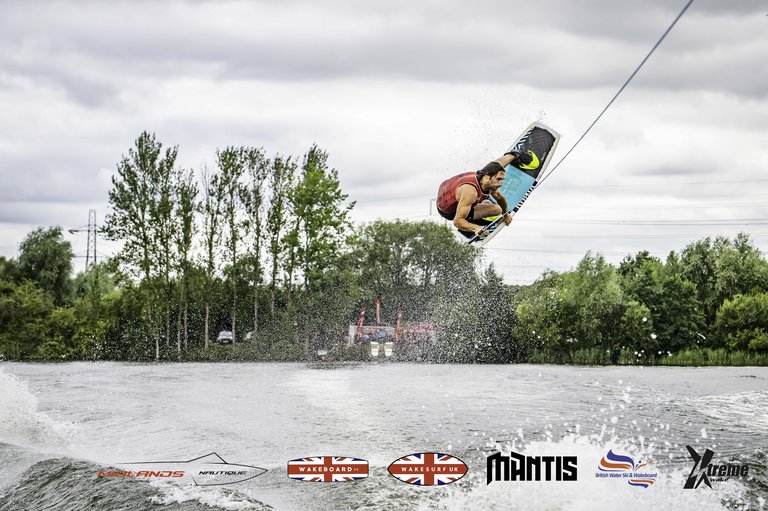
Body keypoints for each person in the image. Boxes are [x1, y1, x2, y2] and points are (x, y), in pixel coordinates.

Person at [436, 150, 535, 238]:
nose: (501, 184)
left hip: (448, 188)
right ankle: (474, 220)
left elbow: (500, 199)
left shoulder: (485, 176)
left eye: (502, 180)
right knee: (496, 209)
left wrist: (505, 214)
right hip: (447, 210)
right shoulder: (470, 192)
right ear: (487, 177)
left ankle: (514, 154)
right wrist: (476, 228)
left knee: (495, 167)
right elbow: (457, 221)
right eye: (499, 180)